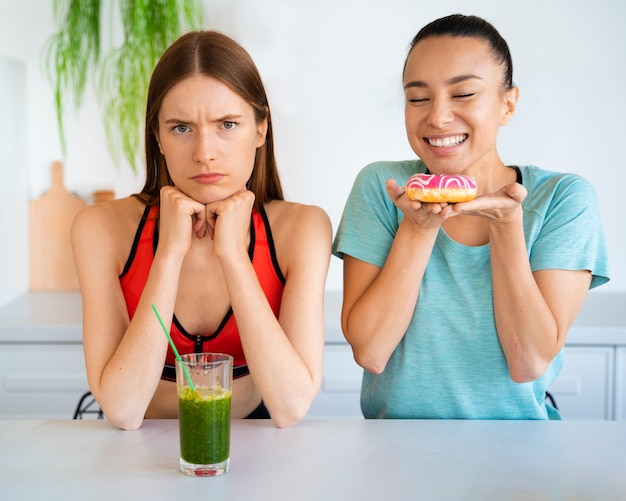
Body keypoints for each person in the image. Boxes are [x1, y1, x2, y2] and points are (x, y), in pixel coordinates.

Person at [332, 14, 609, 419]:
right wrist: (418, 227)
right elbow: (371, 351)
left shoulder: (561, 199)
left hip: (518, 452)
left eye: (462, 94)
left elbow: (528, 361)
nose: (438, 117)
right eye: (418, 98)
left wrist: (507, 226)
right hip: (395, 451)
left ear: (508, 104)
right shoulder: (382, 187)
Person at [71, 30, 332, 430]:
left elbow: (290, 405)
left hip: (255, 449)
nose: (204, 151)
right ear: (156, 135)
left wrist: (232, 255)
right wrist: (169, 252)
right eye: (181, 128)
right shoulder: (99, 228)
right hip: (137, 454)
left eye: (227, 124)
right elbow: (123, 410)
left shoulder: (302, 229)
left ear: (261, 129)